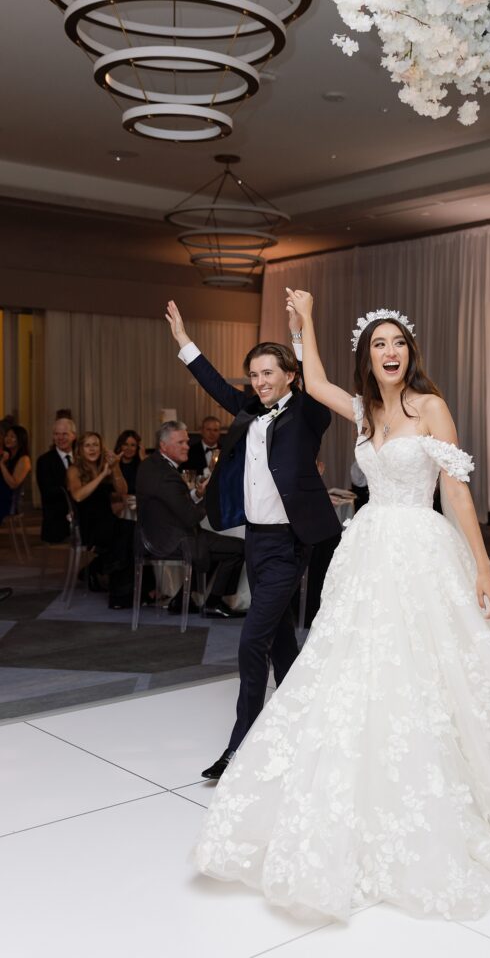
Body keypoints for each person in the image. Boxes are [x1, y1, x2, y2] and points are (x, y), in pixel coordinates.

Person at [195, 291, 490, 932]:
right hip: (368, 552)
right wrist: (306, 320)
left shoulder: (431, 408)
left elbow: (456, 492)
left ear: (410, 352)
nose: (390, 352)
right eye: (378, 344)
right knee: (357, 670)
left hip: (421, 552)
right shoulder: (364, 412)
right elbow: (311, 381)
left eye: (398, 342)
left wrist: (483, 568)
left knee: (441, 667)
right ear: (367, 358)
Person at [165, 300, 340, 780]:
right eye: (255, 375)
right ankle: (304, 722)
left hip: (290, 544)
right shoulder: (249, 412)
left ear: (289, 376)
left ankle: (239, 747)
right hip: (256, 542)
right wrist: (185, 342)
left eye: (269, 373)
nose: (260, 382)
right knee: (281, 639)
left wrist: (302, 330)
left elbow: (314, 377)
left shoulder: (307, 412)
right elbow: (218, 385)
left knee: (252, 641)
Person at [135, 421, 245, 617]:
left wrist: (198, 494)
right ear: (163, 445)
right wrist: (211, 494)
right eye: (181, 442)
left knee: (217, 547)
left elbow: (174, 504)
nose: (187, 446)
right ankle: (214, 602)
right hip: (174, 540)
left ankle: (182, 598)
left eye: (186, 441)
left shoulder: (151, 465)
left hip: (155, 536)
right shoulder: (166, 474)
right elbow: (190, 517)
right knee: (239, 548)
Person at [66, 432, 135, 608]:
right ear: (80, 450)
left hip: (107, 521)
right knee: (124, 536)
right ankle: (119, 593)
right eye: (87, 445)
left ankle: (120, 590)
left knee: (132, 531)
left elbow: (122, 490)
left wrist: (116, 468)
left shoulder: (105, 465)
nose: (92, 449)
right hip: (88, 525)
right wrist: (101, 476)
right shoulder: (74, 470)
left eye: (95, 445)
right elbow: (79, 496)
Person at [36, 417, 77, 543]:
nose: (60, 438)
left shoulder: (82, 458)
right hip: (57, 525)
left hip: (85, 523)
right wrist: (76, 488)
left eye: (65, 434)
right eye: (56, 434)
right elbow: (48, 492)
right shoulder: (44, 461)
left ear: (73, 436)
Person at [0, 425, 32, 522]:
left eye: (12, 436)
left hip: (8, 501)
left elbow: (13, 484)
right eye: (7, 436)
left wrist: (1, 464)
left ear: (20, 439)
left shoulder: (24, 459)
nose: (8, 439)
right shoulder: (7, 457)